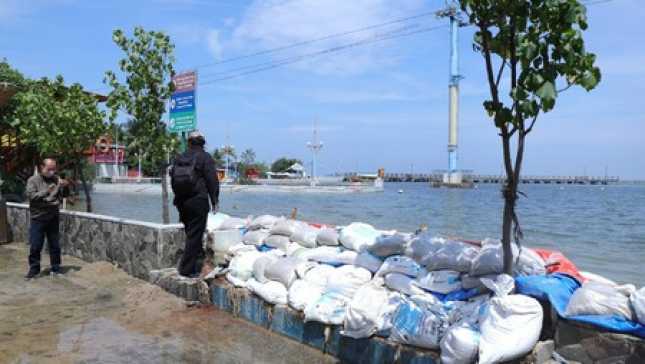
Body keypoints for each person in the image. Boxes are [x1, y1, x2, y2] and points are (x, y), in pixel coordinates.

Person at [171, 131, 220, 277]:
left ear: (189, 142)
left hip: (181, 201)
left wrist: (178, 198)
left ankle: (196, 265)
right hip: (198, 200)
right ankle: (186, 270)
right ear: (203, 142)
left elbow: (173, 178)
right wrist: (215, 200)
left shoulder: (180, 157)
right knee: (195, 235)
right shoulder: (205, 157)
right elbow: (212, 180)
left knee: (190, 233)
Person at [25, 158, 69, 279]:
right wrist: (46, 191)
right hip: (38, 217)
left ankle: (56, 268)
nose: (52, 172)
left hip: (53, 216)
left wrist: (65, 186)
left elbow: (64, 196)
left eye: (53, 169)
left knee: (54, 245)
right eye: (49, 169)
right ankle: (34, 269)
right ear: (41, 167)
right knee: (35, 245)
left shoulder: (56, 179)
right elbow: (31, 196)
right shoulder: (33, 180)